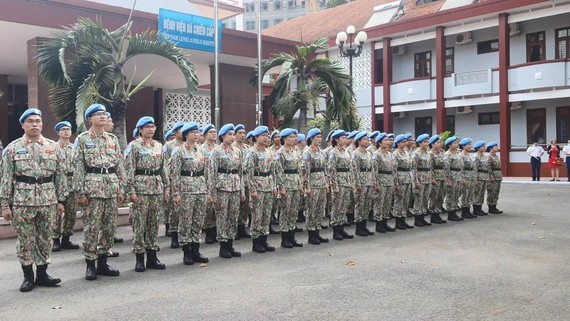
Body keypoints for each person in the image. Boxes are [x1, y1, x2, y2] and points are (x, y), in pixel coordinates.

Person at [1, 108, 66, 292]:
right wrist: (5, 205)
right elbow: (6, 177)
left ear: (42, 124)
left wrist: (61, 200)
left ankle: (43, 274)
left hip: (48, 200)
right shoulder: (13, 148)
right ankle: (28, 276)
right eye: (30, 121)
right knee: (25, 239)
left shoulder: (54, 147)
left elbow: (60, 176)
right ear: (22, 125)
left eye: (38, 121)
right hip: (23, 201)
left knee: (45, 238)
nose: (35, 124)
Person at [74, 104, 126, 280]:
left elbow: (119, 165)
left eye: (104, 114)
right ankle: (90, 263)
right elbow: (79, 167)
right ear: (90, 119)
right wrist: (80, 192)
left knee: (109, 227)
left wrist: (122, 187)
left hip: (111, 187)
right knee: (92, 227)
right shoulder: (82, 139)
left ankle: (103, 262)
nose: (102, 117)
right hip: (92, 189)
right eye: (98, 114)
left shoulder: (112, 139)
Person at [125, 117, 169, 272]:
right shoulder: (134, 146)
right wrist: (131, 190)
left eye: (153, 126)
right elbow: (129, 169)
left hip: (156, 188)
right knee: (140, 224)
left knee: (154, 224)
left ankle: (152, 256)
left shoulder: (159, 146)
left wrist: (167, 187)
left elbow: (164, 168)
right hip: (141, 188)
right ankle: (139, 257)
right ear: (140, 129)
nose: (151, 129)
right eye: (147, 127)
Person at [170, 122, 210, 265]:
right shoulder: (179, 151)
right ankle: (186, 251)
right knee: (186, 220)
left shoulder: (202, 151)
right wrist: (175, 193)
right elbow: (174, 174)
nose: (196, 134)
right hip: (185, 189)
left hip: (200, 188)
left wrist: (208, 189)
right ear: (186, 134)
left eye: (197, 132)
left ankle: (196, 250)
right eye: (192, 132)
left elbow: (207, 172)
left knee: (198, 221)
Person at [208, 124, 244, 259]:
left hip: (235, 186)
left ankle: (230, 243)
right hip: (222, 187)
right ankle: (223, 246)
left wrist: (242, 191)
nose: (232, 137)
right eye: (229, 134)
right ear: (222, 136)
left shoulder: (237, 151)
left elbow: (240, 172)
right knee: (222, 216)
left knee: (233, 216)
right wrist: (212, 193)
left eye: (233, 134)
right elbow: (211, 172)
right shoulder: (217, 151)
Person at [245, 126, 277, 253]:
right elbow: (249, 173)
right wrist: (252, 189)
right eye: (263, 135)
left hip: (268, 186)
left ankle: (264, 239)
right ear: (256, 137)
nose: (266, 138)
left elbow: (273, 171)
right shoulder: (252, 152)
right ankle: (256, 241)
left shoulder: (269, 152)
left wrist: (274, 187)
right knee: (257, 215)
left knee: (266, 215)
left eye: (267, 136)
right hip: (257, 187)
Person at [52, 121, 80, 251]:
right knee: (57, 212)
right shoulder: (53, 147)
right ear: (58, 132)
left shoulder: (75, 148)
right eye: (63, 129)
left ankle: (66, 239)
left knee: (71, 213)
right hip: (57, 183)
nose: (66, 131)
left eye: (68, 129)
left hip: (72, 183)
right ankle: (55, 239)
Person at [274, 128, 303, 248]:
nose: (293, 139)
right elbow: (278, 171)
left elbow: (300, 170)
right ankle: (285, 238)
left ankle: (292, 236)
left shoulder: (296, 150)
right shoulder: (280, 153)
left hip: (295, 183)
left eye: (294, 137)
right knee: (285, 212)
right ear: (284, 139)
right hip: (286, 184)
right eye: (290, 137)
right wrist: (281, 187)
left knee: (294, 211)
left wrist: (301, 185)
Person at [301, 129, 330, 245]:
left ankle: (317, 231)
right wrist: (306, 186)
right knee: (311, 210)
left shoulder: (322, 152)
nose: (319, 139)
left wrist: (326, 183)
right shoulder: (307, 152)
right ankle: (311, 234)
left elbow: (325, 169)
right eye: (317, 137)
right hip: (312, 184)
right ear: (311, 138)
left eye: (320, 137)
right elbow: (304, 170)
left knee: (320, 209)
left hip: (321, 183)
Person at [327, 130, 355, 241]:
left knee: (344, 207)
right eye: (343, 138)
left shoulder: (346, 152)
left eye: (345, 138)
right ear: (337, 139)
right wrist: (335, 186)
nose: (345, 140)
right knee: (336, 207)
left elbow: (350, 169)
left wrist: (351, 182)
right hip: (338, 182)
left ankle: (342, 228)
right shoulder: (333, 152)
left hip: (346, 182)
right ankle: (336, 230)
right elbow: (332, 170)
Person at [162, 121, 184, 238]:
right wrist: (167, 181)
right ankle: (173, 232)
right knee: (173, 208)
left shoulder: (189, 145)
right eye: (180, 130)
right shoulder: (168, 145)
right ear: (175, 132)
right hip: (173, 179)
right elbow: (164, 163)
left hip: (188, 181)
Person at [352, 131, 375, 236]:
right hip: (361, 181)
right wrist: (357, 184)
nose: (367, 141)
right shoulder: (356, 153)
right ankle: (358, 227)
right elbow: (355, 170)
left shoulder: (369, 153)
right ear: (359, 141)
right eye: (364, 139)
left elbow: (373, 169)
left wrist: (373, 181)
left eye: (367, 139)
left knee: (367, 204)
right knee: (359, 204)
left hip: (369, 181)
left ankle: (364, 226)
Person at [372, 133, 396, 233]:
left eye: (388, 140)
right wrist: (375, 183)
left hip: (389, 180)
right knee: (379, 203)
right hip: (381, 180)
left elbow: (394, 169)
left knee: (387, 203)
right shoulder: (376, 154)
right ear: (380, 142)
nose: (388, 142)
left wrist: (394, 181)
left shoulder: (391, 154)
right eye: (385, 140)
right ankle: (379, 224)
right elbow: (374, 170)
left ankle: (385, 223)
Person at [233, 124, 252, 239]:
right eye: (239, 133)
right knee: (236, 205)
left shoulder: (247, 149)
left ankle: (242, 226)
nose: (242, 135)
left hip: (246, 178)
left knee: (245, 205)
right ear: (235, 135)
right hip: (236, 178)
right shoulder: (233, 147)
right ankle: (234, 228)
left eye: (244, 133)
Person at [201, 124, 219, 245]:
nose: (214, 134)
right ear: (206, 134)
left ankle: (216, 231)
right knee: (208, 208)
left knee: (217, 208)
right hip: (205, 181)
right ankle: (208, 232)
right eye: (211, 132)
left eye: (215, 132)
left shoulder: (218, 148)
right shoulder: (201, 149)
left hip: (219, 181)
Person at [392, 134, 414, 230]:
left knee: (406, 200)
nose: (404, 143)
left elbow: (410, 167)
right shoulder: (395, 154)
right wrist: (396, 183)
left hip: (407, 178)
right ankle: (398, 221)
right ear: (397, 143)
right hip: (400, 178)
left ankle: (403, 220)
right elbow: (394, 170)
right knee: (399, 200)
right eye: (402, 142)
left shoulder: (406, 153)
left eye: (405, 142)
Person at [410, 134, 433, 227]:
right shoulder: (416, 153)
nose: (427, 143)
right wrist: (415, 181)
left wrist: (431, 178)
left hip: (427, 178)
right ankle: (417, 219)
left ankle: (423, 217)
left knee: (425, 199)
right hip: (419, 178)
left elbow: (430, 167)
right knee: (418, 199)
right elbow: (413, 168)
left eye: (427, 141)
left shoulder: (428, 153)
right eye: (424, 142)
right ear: (419, 143)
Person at [428, 135, 447, 224]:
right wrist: (432, 178)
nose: (440, 144)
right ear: (432, 144)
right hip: (435, 177)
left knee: (441, 196)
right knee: (434, 197)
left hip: (442, 176)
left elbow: (446, 166)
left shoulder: (443, 152)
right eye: (438, 142)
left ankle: (438, 213)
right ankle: (433, 215)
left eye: (440, 142)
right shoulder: (430, 154)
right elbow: (430, 167)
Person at [443, 136, 463, 222]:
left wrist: (461, 177)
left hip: (458, 176)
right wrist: (448, 179)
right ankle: (450, 213)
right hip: (451, 177)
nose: (457, 144)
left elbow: (460, 167)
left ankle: (454, 211)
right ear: (449, 145)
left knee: (456, 195)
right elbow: (446, 168)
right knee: (450, 195)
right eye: (454, 143)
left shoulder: (457, 154)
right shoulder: (447, 155)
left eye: (457, 143)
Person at [458, 138, 477, 219]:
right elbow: (461, 168)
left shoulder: (470, 155)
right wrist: (463, 179)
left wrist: (474, 178)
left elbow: (474, 167)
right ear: (463, 146)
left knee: (470, 194)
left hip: (471, 177)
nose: (470, 146)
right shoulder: (460, 155)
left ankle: (468, 210)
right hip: (465, 177)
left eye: (470, 144)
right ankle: (464, 212)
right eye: (468, 144)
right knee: (465, 194)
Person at [486, 142, 503, 214]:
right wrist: (490, 176)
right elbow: (488, 167)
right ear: (491, 148)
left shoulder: (495, 156)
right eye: (495, 146)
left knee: (496, 191)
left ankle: (494, 205)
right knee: (491, 192)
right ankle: (491, 207)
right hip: (492, 176)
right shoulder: (488, 156)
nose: (497, 147)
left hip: (498, 176)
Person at [472, 141, 489, 216]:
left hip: (484, 176)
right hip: (479, 176)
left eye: (484, 146)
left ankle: (480, 208)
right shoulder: (476, 156)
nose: (484, 148)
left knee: (481, 193)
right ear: (478, 148)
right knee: (477, 193)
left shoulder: (484, 156)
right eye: (482, 146)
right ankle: (476, 209)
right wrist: (475, 179)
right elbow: (475, 169)